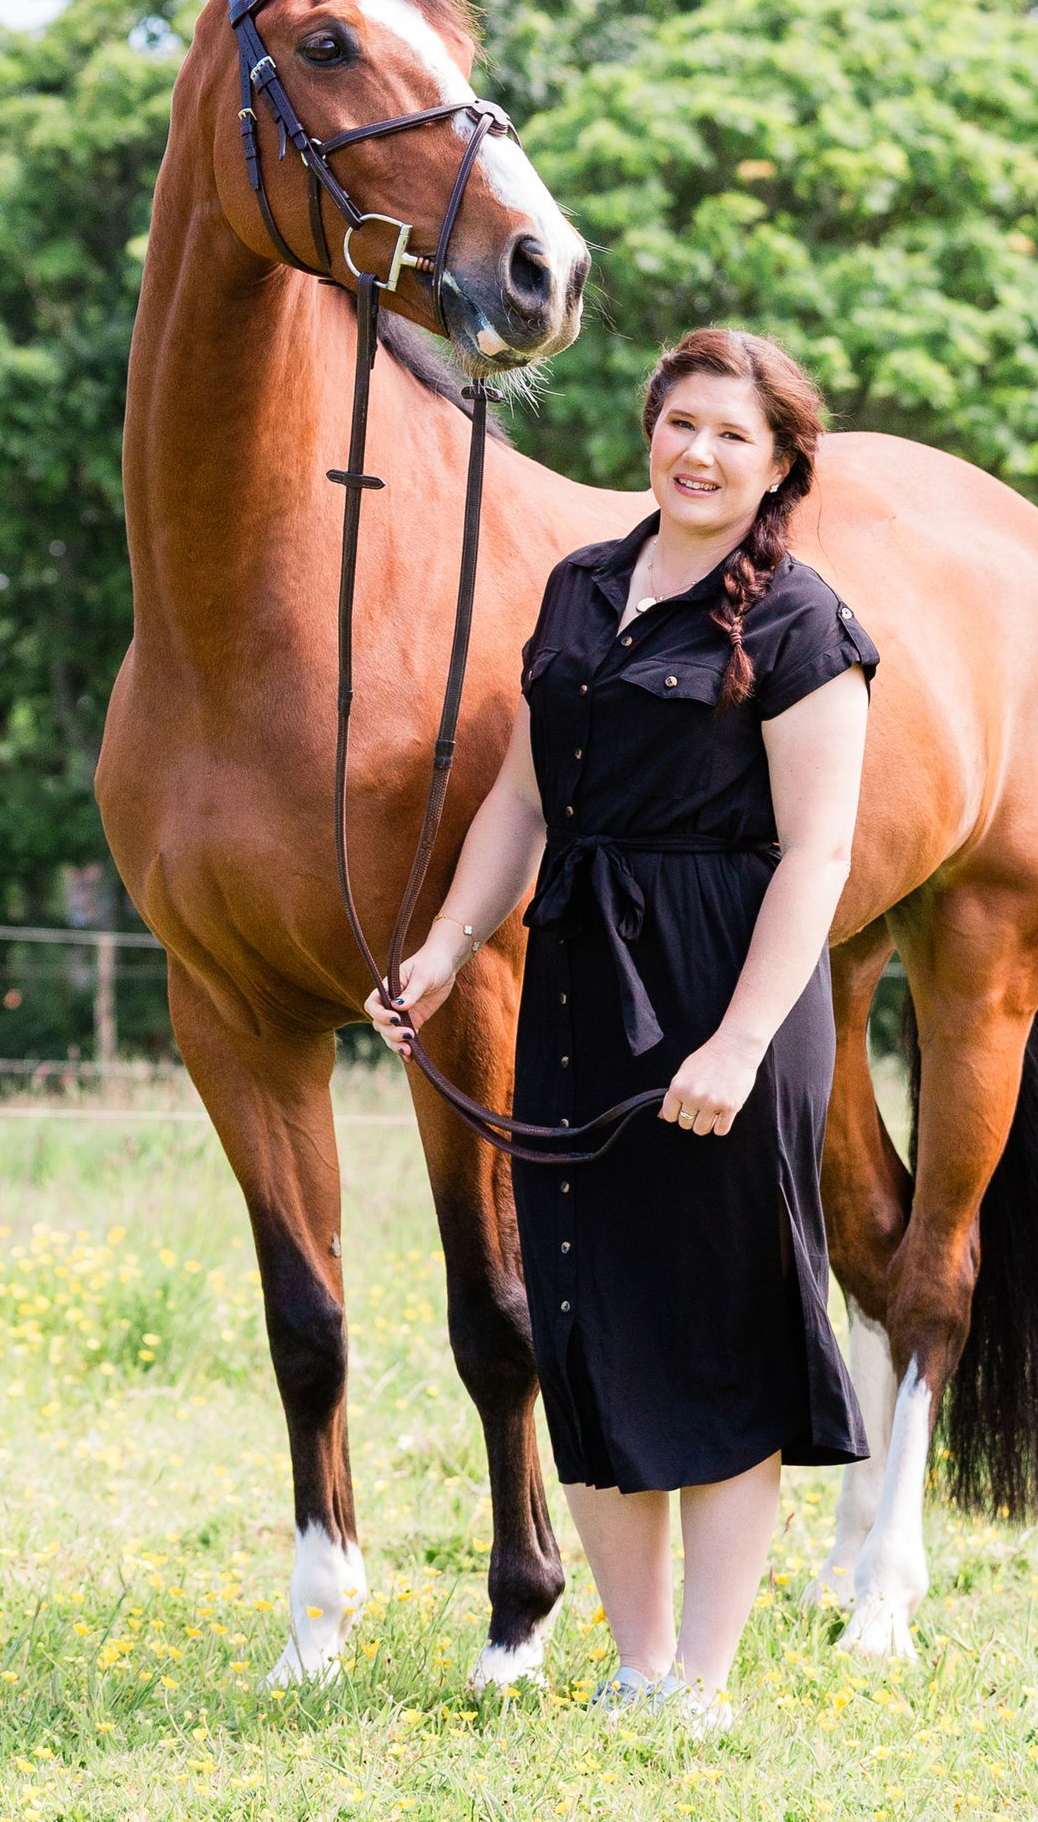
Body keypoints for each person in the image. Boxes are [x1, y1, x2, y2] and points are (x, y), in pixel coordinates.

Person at [370, 326, 877, 1732]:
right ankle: (637, 1661)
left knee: (721, 1328)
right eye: (682, 422)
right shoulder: (581, 590)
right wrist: (442, 948)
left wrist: (733, 1044)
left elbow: (816, 859)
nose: (699, 452)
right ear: (648, 430)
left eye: (734, 434)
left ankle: (702, 1678)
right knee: (586, 1315)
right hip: (581, 979)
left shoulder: (801, 622)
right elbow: (523, 802)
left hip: (732, 987)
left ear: (779, 466)